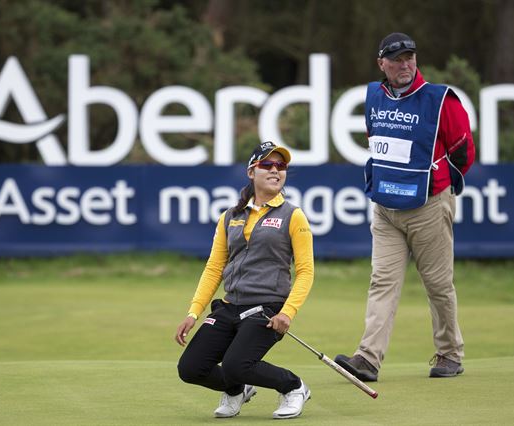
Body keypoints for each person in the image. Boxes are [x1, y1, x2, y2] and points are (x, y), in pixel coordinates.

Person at [335, 32, 475, 381]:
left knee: (438, 284)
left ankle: (450, 354)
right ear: (381, 63)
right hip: (385, 207)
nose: (405, 64)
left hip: (428, 205)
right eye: (396, 59)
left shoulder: (440, 99)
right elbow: (376, 141)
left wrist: (443, 184)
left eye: (409, 57)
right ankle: (367, 359)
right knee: (381, 282)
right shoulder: (373, 96)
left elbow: (463, 149)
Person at [175, 141, 314, 419]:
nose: (276, 170)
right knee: (190, 368)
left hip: (267, 308)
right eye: (267, 165)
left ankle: (293, 386)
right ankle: (237, 390)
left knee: (235, 364)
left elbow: (306, 271)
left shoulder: (293, 215)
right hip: (230, 307)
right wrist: (194, 311)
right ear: (252, 172)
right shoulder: (231, 217)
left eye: (281, 166)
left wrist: (287, 313)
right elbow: (215, 267)